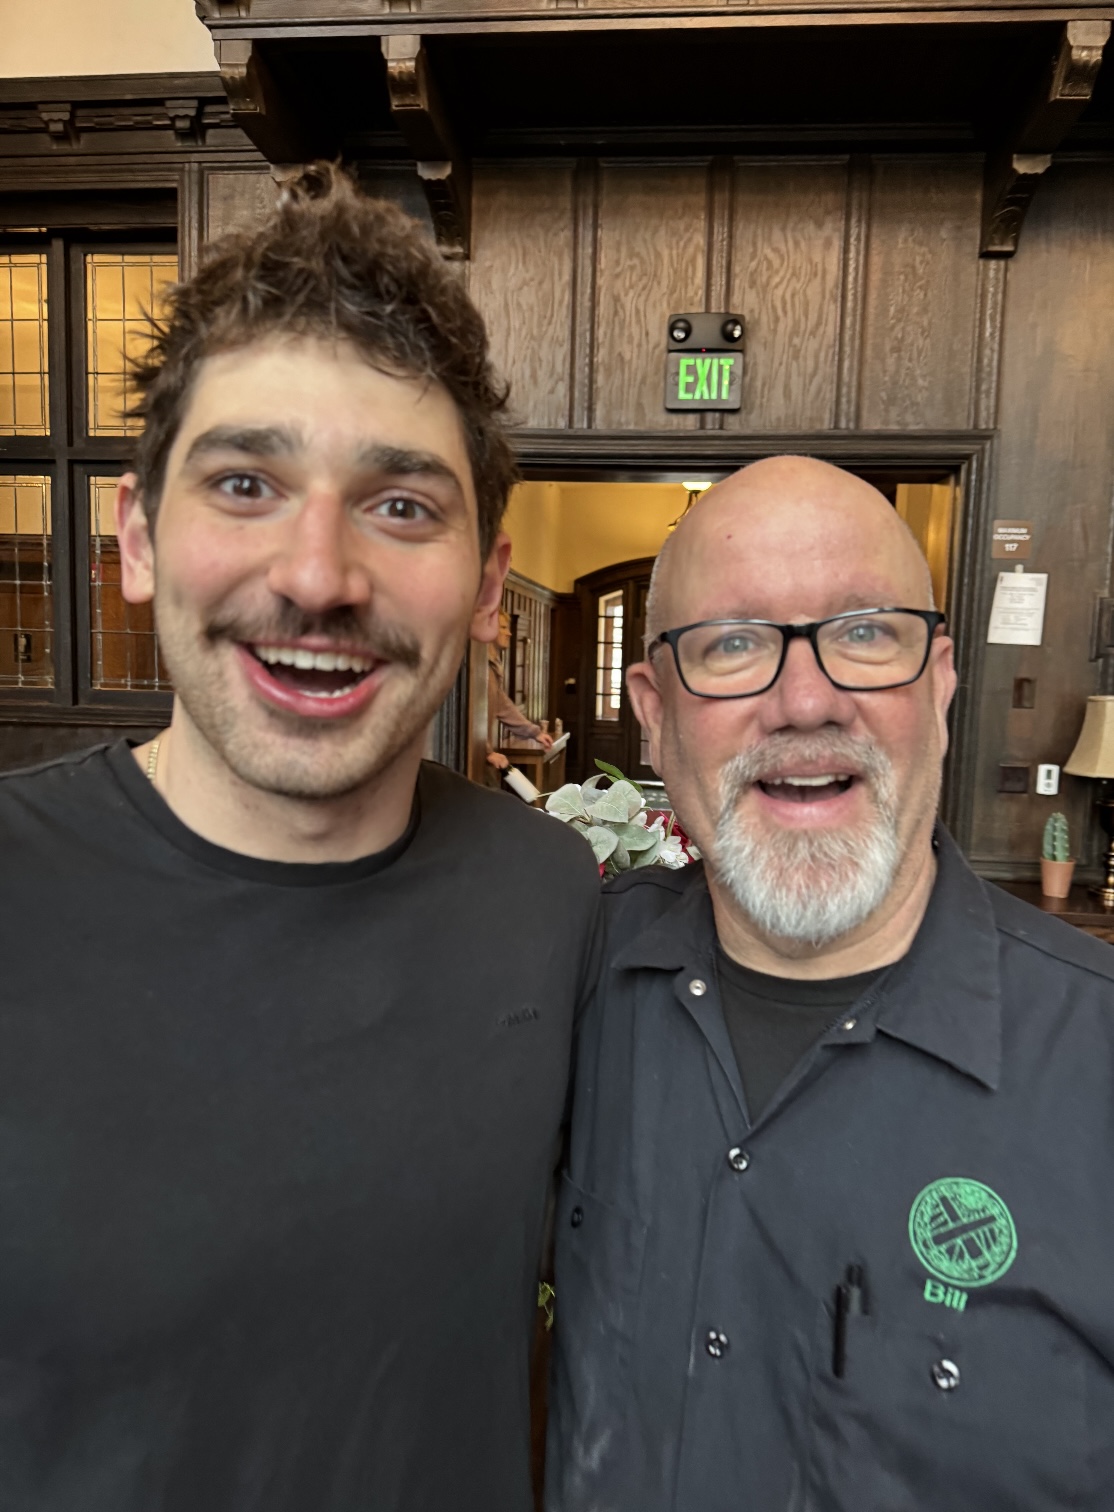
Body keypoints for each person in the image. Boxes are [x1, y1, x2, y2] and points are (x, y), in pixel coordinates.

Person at [0, 163, 600, 1512]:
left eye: (402, 505)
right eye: (244, 483)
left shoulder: (549, 896)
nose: (320, 577)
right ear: (137, 537)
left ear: (487, 583)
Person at [547, 456, 1114, 1512]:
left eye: (864, 633)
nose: (804, 701)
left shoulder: (1094, 1059)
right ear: (654, 713)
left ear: (938, 684)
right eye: (730, 644)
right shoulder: (566, 985)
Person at [486, 608, 553, 775]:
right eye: (503, 627)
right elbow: (471, 716)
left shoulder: (493, 663)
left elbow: (501, 703)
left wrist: (534, 732)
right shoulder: (479, 666)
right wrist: (486, 751)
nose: (509, 633)